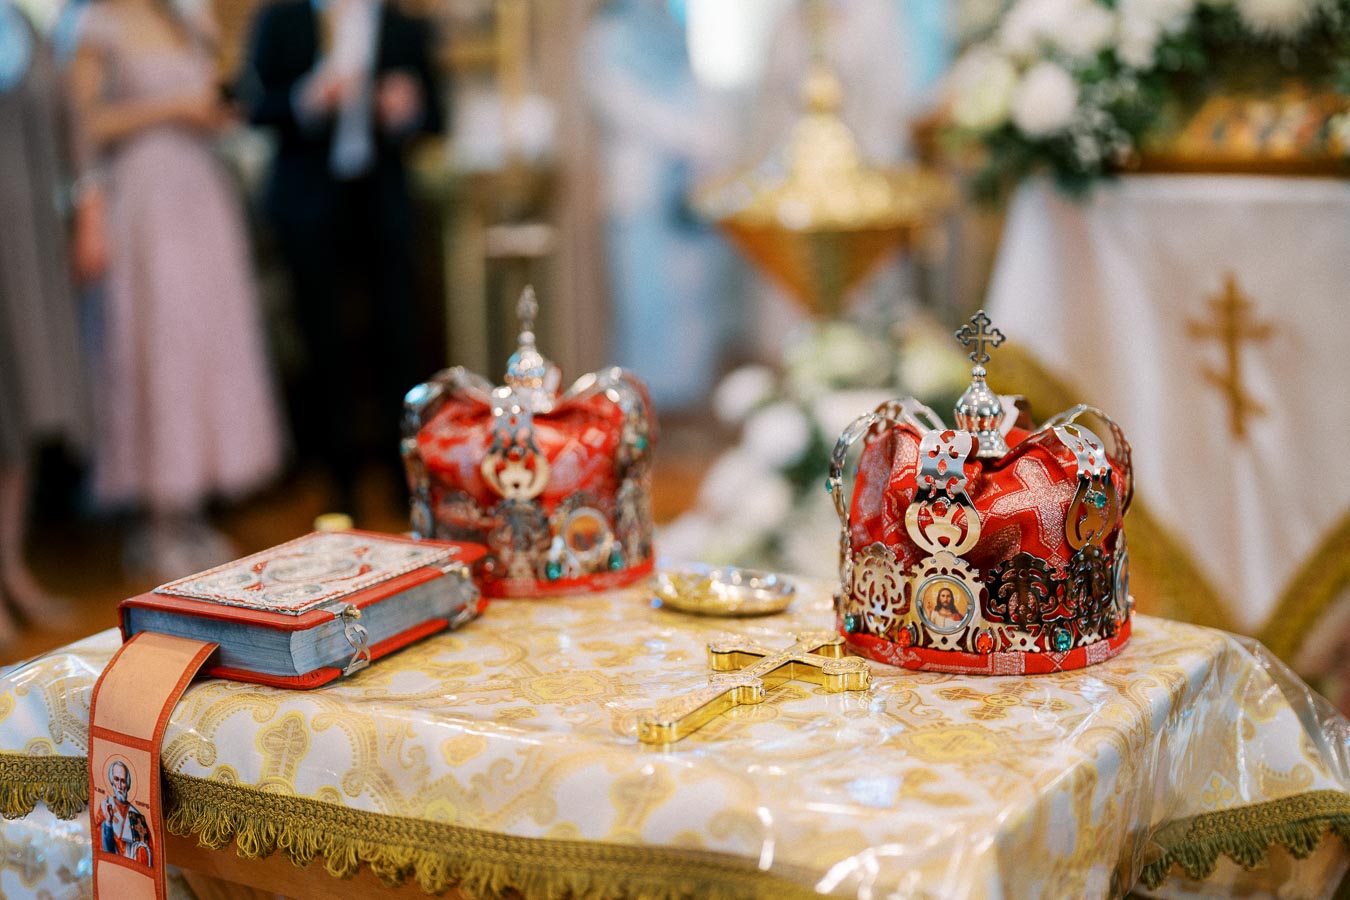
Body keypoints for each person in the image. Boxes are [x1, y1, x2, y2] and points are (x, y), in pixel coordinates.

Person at [68, 0, 286, 578]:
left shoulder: (187, 16)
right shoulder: (97, 23)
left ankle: (190, 509)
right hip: (143, 196)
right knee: (155, 345)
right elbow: (83, 123)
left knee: (204, 346)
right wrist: (171, 109)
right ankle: (157, 519)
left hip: (200, 188)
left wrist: (214, 111)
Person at [239, 0, 444, 516]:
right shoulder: (282, 20)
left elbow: (440, 116)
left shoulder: (403, 26)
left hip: (383, 202)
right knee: (323, 343)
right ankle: (340, 482)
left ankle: (406, 479)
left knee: (400, 339)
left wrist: (409, 108)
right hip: (308, 205)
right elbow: (254, 107)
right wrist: (307, 99)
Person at [0, 0, 88, 642]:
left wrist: (81, 206)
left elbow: (65, 130)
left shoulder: (24, 24)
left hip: (25, 238)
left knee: (22, 406)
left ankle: (11, 565)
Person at [95, 759, 152, 865]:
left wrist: (140, 848)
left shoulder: (136, 814)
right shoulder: (104, 808)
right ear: (112, 782)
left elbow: (151, 845)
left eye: (123, 781)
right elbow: (102, 847)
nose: (120, 785)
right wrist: (108, 822)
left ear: (128, 784)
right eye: (116, 779)